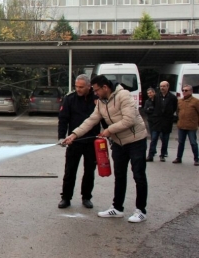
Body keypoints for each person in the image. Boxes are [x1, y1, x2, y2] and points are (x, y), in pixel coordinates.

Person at [62, 75, 148, 223]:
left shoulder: (124, 95)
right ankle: (117, 208)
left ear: (105, 88)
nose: (95, 93)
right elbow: (91, 120)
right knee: (120, 176)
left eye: (96, 90)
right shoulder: (101, 102)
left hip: (135, 141)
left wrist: (109, 130)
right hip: (119, 143)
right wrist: (74, 135)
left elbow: (129, 120)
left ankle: (140, 211)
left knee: (138, 176)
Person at [57, 74, 101, 209]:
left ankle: (86, 197)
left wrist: (107, 132)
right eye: (76, 87)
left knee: (89, 171)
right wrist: (61, 137)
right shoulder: (70, 99)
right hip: (73, 142)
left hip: (91, 141)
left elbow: (104, 116)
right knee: (70, 171)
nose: (78, 89)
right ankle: (66, 198)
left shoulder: (97, 99)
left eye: (81, 87)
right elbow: (63, 119)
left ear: (89, 86)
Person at [147, 81, 176, 162]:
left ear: (168, 87)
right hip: (157, 121)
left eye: (164, 86)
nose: (162, 88)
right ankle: (150, 155)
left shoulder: (172, 97)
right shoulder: (156, 97)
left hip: (167, 121)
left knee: (165, 139)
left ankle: (162, 155)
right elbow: (152, 106)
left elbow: (174, 108)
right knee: (154, 139)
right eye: (161, 86)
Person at [172, 84, 199, 166]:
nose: (184, 92)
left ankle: (196, 159)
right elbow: (177, 111)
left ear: (191, 91)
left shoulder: (196, 101)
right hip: (181, 125)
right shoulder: (180, 101)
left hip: (191, 126)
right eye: (183, 90)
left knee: (193, 143)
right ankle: (179, 158)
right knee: (180, 142)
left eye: (186, 90)